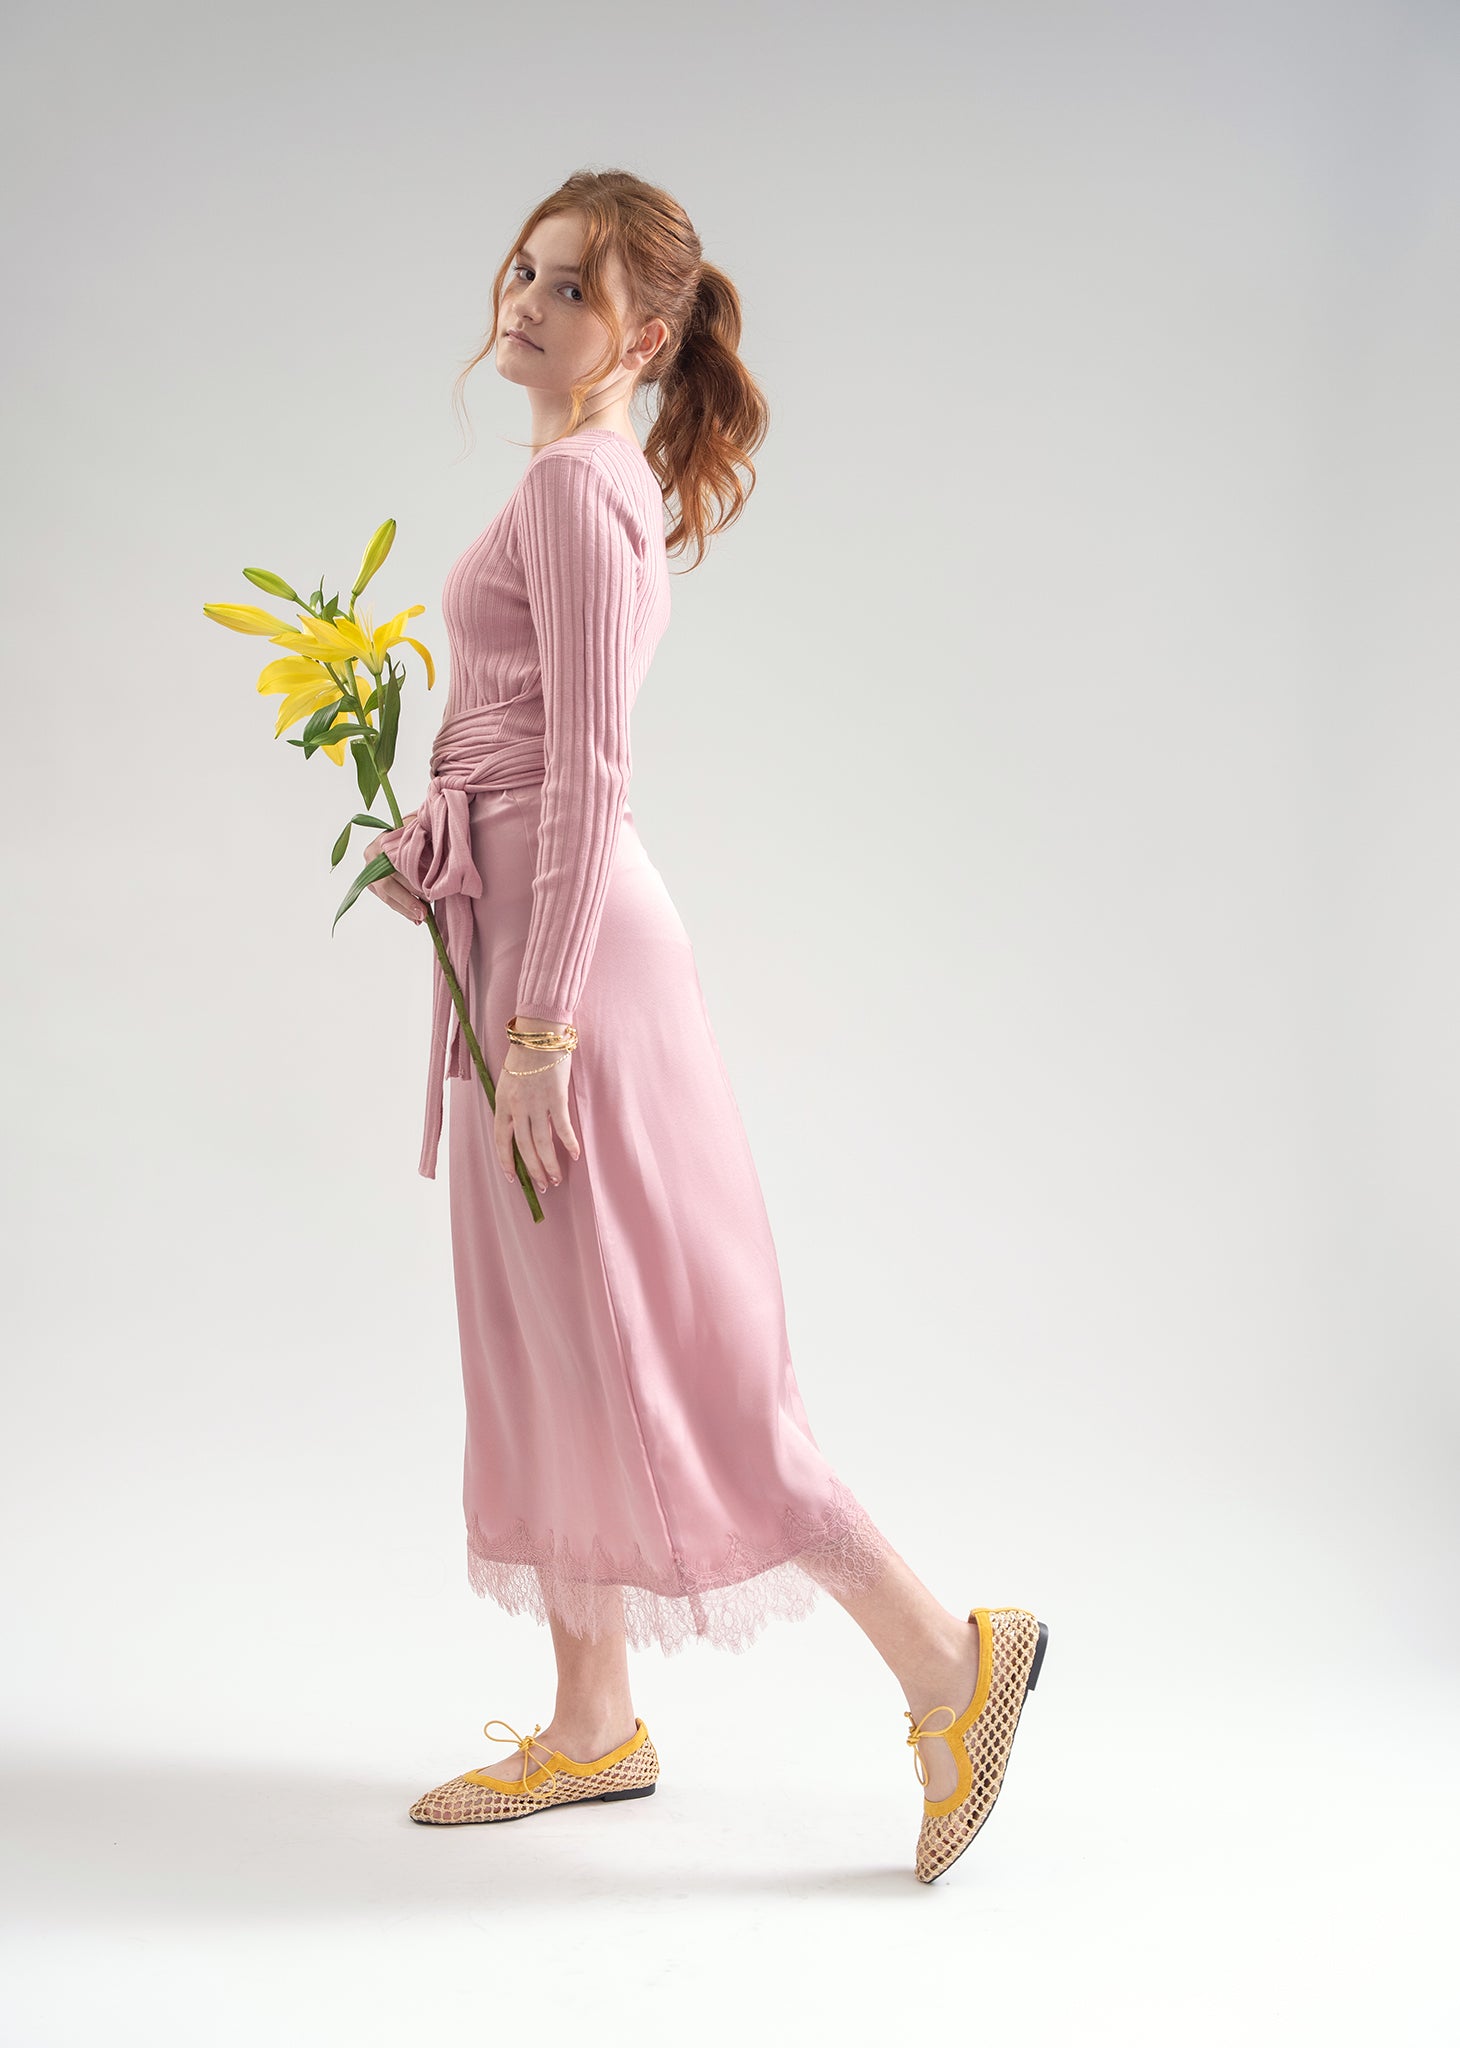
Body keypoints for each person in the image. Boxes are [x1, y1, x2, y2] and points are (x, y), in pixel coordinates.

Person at [366, 168, 1047, 1883]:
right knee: (549, 1334)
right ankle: (592, 1719)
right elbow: (531, 741)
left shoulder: (578, 491)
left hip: (571, 969)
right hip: (523, 938)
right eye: (525, 270)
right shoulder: (568, 478)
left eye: (571, 289)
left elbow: (593, 767)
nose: (527, 303)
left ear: (646, 335)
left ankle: (952, 1665)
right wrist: (441, 838)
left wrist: (540, 1030)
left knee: (677, 1350)